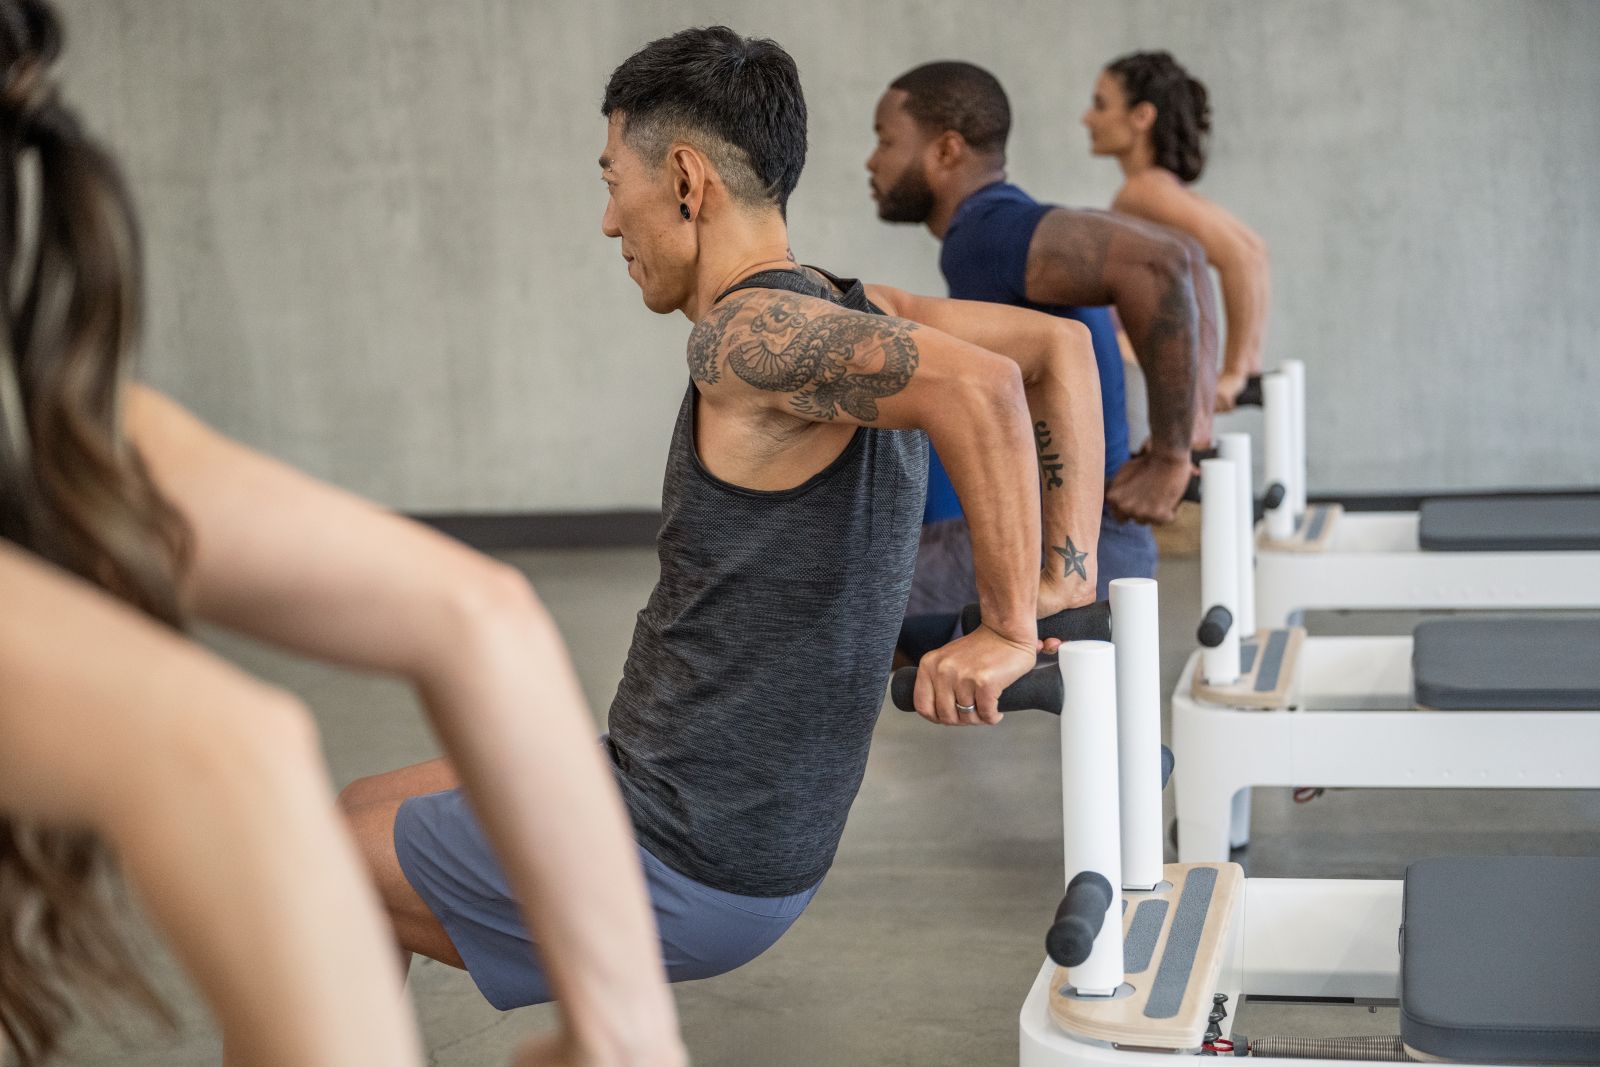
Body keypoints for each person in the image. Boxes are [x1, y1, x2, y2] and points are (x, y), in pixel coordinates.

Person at [344, 24, 1106, 1012]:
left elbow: (985, 387)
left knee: (318, 858)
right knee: (357, 811)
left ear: (685, 182)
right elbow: (1057, 353)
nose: (608, 222)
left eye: (613, 180)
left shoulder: (744, 338)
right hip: (671, 792)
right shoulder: (861, 305)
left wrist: (1008, 626)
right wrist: (1063, 576)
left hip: (678, 849)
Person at [0, 3, 681, 1065]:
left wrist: (621, 1039)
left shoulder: (54, 425)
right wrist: (624, 1033)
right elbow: (236, 748)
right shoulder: (56, 417)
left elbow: (472, 616)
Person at [867, 61, 1219, 648]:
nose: (871, 162)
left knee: (826, 585)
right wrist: (1193, 427)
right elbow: (1186, 256)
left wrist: (1171, 456)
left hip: (1079, 553)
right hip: (1100, 545)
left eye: (885, 141)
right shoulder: (1002, 223)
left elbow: (1164, 264)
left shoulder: (987, 232)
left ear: (946, 150)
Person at [1084, 51, 1270, 413]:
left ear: (1142, 116)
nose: (1087, 118)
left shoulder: (1142, 191)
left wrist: (1235, 373)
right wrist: (1247, 364)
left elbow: (1244, 257)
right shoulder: (1162, 189)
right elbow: (1256, 251)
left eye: (1100, 105)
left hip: (1138, 384)